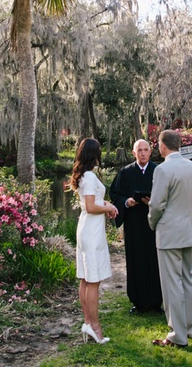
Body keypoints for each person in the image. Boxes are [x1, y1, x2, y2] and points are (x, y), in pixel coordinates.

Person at [148, 129, 192, 349]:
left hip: (169, 232)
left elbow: (157, 204)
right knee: (189, 279)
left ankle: (178, 335)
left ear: (163, 146)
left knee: (172, 284)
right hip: (187, 229)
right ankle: (191, 328)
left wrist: (152, 222)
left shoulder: (163, 169)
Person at [69, 137, 118, 344]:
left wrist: (105, 204)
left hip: (88, 227)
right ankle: (94, 326)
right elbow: (90, 206)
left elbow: (92, 202)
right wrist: (108, 207)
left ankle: (88, 323)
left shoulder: (85, 176)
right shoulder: (89, 177)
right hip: (91, 231)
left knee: (85, 278)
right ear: (93, 154)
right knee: (93, 281)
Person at [109, 139, 163, 314]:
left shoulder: (158, 171)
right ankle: (138, 302)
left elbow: (166, 197)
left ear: (151, 151)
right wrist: (126, 202)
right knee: (136, 260)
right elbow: (114, 195)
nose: (143, 153)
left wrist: (152, 203)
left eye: (146, 150)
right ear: (133, 153)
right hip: (133, 224)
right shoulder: (125, 173)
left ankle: (156, 302)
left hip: (154, 224)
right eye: (139, 150)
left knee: (156, 261)